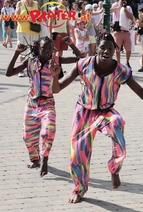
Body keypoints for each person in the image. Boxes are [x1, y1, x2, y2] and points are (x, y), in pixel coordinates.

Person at [50, 32, 143, 203]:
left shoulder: (121, 71)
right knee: (77, 155)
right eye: (103, 48)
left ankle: (114, 168)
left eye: (110, 48)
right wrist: (55, 77)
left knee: (117, 123)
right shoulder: (83, 64)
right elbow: (57, 89)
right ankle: (79, 189)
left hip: (106, 112)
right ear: (96, 49)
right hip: (83, 112)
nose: (106, 51)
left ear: (115, 49)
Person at [5, 36, 82, 178]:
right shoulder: (30, 63)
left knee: (48, 131)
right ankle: (35, 159)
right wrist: (16, 53)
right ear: (37, 49)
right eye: (44, 48)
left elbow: (80, 59)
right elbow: (8, 73)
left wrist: (72, 45)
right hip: (32, 104)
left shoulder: (56, 61)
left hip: (48, 104)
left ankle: (45, 158)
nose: (47, 51)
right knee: (27, 137)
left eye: (49, 49)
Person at [15, 0, 39, 77]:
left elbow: (41, 16)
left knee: (33, 50)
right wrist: (27, 19)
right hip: (22, 30)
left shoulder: (36, 4)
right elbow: (16, 18)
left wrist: (36, 18)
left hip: (34, 30)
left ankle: (32, 69)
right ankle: (21, 70)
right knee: (22, 50)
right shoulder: (20, 3)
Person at [111, 0, 134, 68]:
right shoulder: (115, 5)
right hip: (117, 30)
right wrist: (118, 7)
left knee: (128, 49)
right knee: (117, 49)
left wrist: (125, 9)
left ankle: (127, 62)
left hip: (126, 30)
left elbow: (131, 17)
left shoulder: (128, 7)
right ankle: (118, 63)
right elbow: (109, 11)